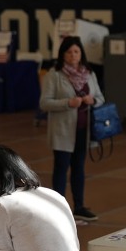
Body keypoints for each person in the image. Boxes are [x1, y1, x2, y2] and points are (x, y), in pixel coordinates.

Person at [40, 36, 105, 222]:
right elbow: (44, 103)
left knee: (79, 168)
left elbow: (101, 97)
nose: (73, 55)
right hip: (63, 131)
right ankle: (59, 208)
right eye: (69, 52)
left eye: (76, 51)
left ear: (81, 53)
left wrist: (93, 101)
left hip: (83, 131)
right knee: (61, 168)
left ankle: (79, 206)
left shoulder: (89, 73)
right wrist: (67, 102)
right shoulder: (55, 74)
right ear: (63, 54)